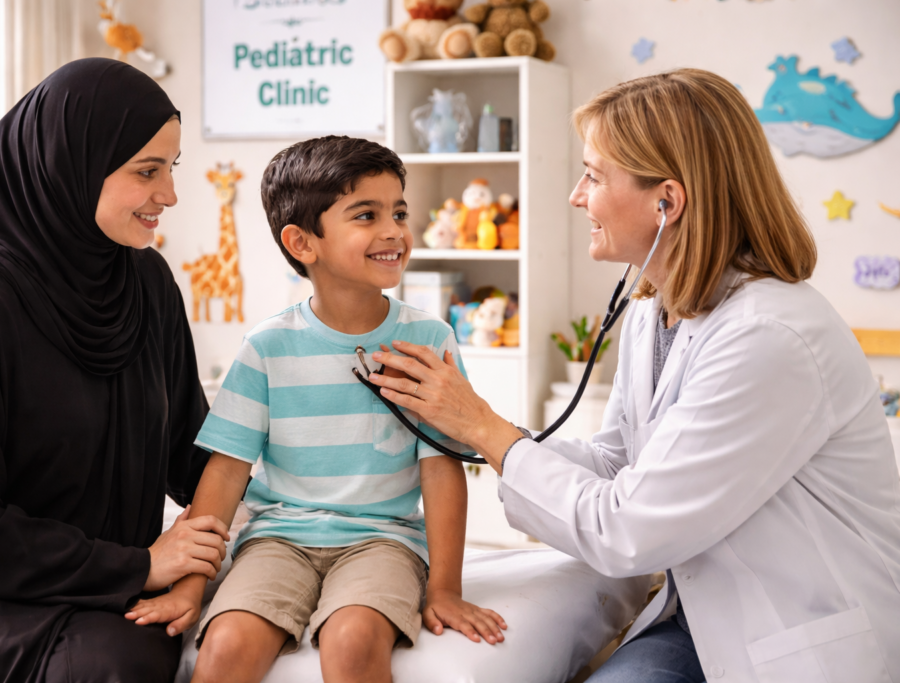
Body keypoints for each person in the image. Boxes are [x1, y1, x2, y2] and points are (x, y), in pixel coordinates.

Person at [366, 69, 900, 682]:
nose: (575, 195)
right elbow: (620, 462)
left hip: (793, 637)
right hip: (697, 619)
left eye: (593, 176)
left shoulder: (767, 337)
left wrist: (489, 433)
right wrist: (473, 433)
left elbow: (627, 528)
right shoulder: (656, 310)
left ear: (666, 201)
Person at [0, 58, 225, 682]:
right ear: (72, 166)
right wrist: (141, 568)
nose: (169, 195)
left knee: (142, 645)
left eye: (171, 170)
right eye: (147, 172)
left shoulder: (147, 283)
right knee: (112, 665)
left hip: (92, 567)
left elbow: (194, 453)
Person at [126, 136, 507, 683]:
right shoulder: (266, 347)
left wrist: (445, 589)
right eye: (366, 215)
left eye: (399, 211)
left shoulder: (429, 338)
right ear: (303, 243)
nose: (394, 230)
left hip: (384, 541)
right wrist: (189, 586)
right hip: (277, 539)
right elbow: (226, 473)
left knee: (353, 641)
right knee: (226, 646)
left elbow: (442, 468)